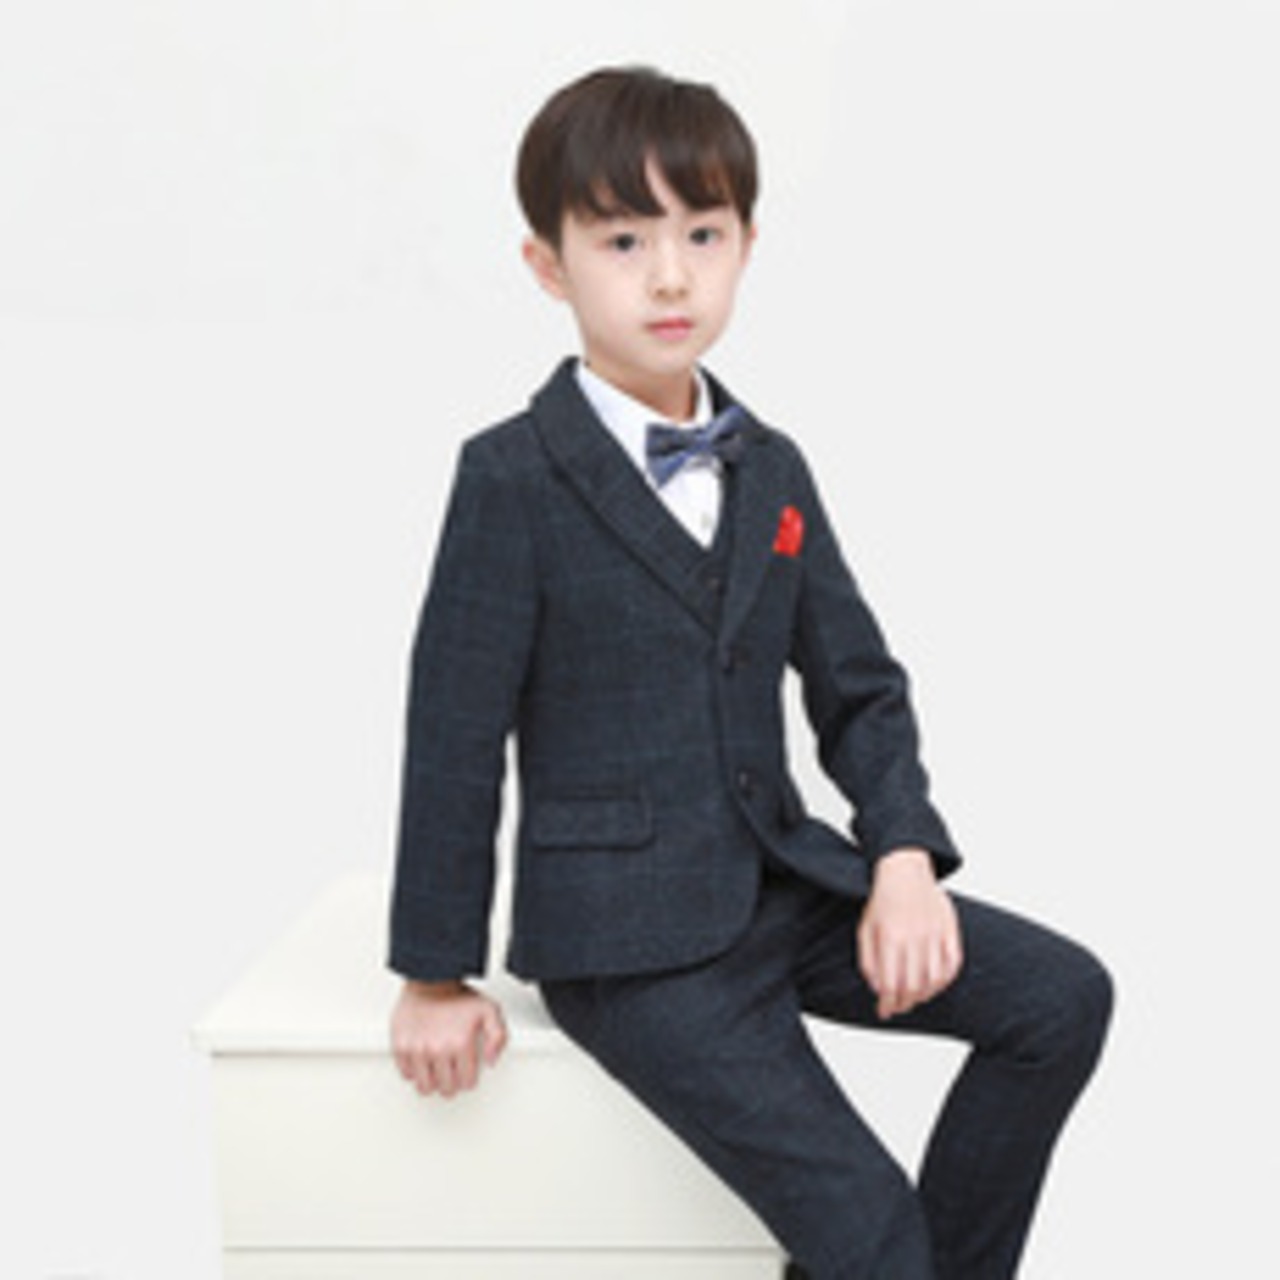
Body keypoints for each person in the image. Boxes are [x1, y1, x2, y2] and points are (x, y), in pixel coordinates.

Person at [387, 65, 1113, 1280]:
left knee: (1059, 1000)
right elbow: (451, 735)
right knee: (872, 1233)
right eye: (623, 240)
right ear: (547, 266)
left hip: (782, 885)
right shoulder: (509, 478)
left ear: (746, 244)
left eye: (702, 234)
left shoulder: (768, 465)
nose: (670, 276)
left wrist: (899, 856)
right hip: (628, 946)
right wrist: (432, 970)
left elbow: (857, 685)